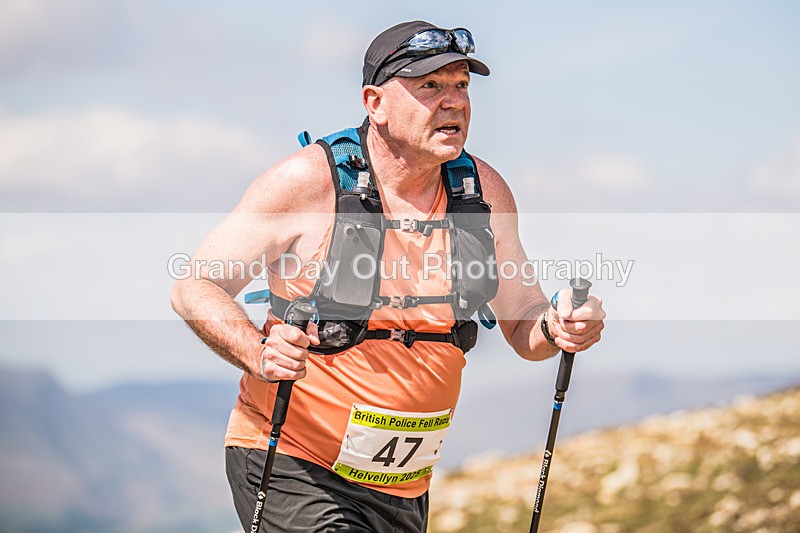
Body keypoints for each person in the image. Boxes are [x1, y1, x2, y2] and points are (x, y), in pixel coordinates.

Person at [171, 20, 605, 532]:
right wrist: (255, 351)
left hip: (404, 485)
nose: (454, 102)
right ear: (373, 102)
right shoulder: (308, 183)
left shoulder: (482, 193)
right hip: (293, 460)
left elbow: (524, 325)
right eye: (430, 86)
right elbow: (195, 286)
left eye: (462, 85)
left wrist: (559, 327)